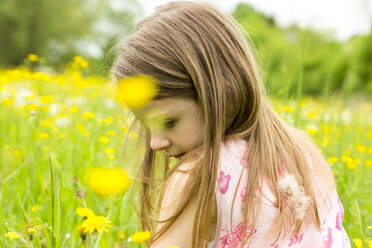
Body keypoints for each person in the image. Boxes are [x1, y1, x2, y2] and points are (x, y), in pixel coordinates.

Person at [111, 1, 351, 247]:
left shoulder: (200, 175)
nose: (155, 143)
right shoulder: (304, 157)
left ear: (224, 96)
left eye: (169, 121)